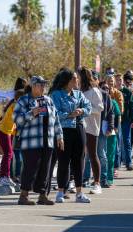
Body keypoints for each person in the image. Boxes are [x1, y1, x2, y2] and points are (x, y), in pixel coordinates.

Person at [13, 76, 64, 205]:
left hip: (48, 141)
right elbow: (16, 119)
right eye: (40, 85)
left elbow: (56, 119)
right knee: (30, 168)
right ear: (33, 86)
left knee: (45, 169)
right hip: (31, 142)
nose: (43, 87)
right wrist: (31, 113)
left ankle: (42, 195)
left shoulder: (48, 100)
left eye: (44, 85)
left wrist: (60, 136)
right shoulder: (24, 100)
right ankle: (23, 196)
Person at [51, 68, 92, 204]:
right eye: (74, 78)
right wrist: (69, 114)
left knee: (79, 161)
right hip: (63, 131)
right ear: (67, 81)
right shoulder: (56, 95)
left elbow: (89, 107)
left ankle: (79, 193)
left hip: (79, 129)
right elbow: (54, 113)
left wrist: (82, 110)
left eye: (77, 78)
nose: (77, 80)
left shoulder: (79, 94)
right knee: (63, 161)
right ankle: (61, 192)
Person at [78, 67, 104, 194]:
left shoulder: (94, 91)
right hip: (80, 126)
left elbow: (100, 108)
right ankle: (76, 182)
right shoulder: (78, 91)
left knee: (93, 155)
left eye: (78, 77)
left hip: (92, 127)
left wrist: (85, 109)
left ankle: (97, 183)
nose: (76, 80)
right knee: (79, 155)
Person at [0, 89, 25, 186]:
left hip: (6, 132)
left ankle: (4, 176)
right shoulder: (15, 105)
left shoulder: (14, 105)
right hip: (3, 132)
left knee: (9, 154)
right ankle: (4, 177)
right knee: (8, 154)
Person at [105, 74, 124, 177]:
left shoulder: (118, 93)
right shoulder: (103, 92)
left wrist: (116, 125)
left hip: (116, 122)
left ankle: (115, 168)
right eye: (108, 81)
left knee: (115, 146)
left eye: (112, 81)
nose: (110, 83)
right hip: (104, 123)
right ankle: (105, 168)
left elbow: (120, 110)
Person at [116, 73, 133, 171]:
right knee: (117, 142)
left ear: (123, 81)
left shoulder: (128, 92)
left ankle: (129, 162)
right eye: (117, 80)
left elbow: (132, 106)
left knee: (127, 141)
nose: (119, 81)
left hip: (126, 120)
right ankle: (117, 163)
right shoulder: (112, 92)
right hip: (115, 120)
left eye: (120, 79)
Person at [11, 77, 28, 183]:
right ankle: (18, 175)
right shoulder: (24, 99)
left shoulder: (12, 99)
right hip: (19, 132)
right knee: (19, 155)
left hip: (14, 131)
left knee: (15, 155)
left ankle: (14, 175)